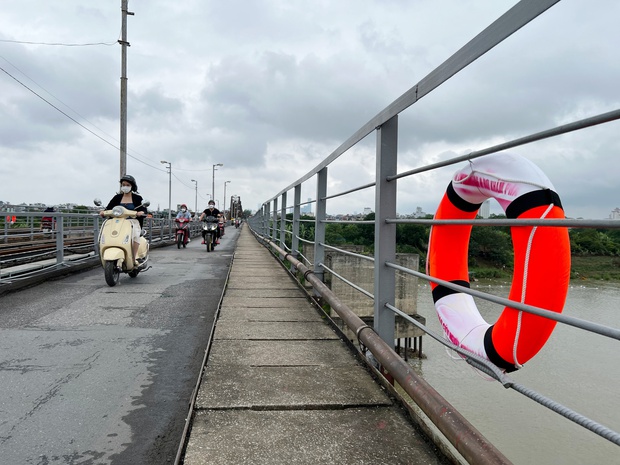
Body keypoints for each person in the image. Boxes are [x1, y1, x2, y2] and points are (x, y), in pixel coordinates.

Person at [100, 175, 147, 266]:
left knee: (135, 234)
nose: (125, 186)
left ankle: (135, 256)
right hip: (117, 221)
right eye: (123, 184)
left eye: (127, 185)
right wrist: (103, 212)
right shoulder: (117, 197)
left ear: (132, 186)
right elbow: (108, 208)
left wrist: (141, 212)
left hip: (132, 221)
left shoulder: (137, 198)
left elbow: (144, 210)